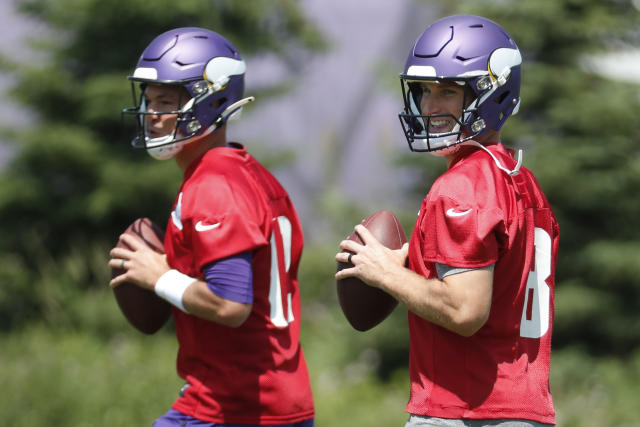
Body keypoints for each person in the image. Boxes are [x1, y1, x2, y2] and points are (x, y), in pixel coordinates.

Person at [335, 15, 559, 427]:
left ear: (493, 94)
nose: (430, 106)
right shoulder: (520, 180)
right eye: (424, 91)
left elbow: (464, 310)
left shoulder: (461, 186)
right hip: (523, 410)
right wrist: (418, 260)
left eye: (448, 91)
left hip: (468, 410)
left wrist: (386, 274)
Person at [109, 27, 314, 427]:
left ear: (213, 100)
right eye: (149, 101)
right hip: (274, 400)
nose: (151, 115)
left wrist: (160, 277)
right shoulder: (246, 172)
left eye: (165, 101)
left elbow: (230, 304)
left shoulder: (213, 185)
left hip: (233, 406)